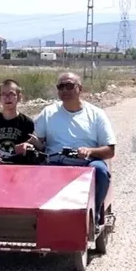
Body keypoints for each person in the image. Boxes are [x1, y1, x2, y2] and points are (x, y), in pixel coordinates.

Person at [32, 72, 116, 223]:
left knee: (102, 172)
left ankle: (94, 213)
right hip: (55, 161)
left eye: (69, 86)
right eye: (61, 87)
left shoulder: (96, 114)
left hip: (87, 162)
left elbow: (110, 150)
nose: (65, 90)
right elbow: (39, 141)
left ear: (80, 89)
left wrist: (89, 151)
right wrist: (31, 142)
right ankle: (39, 215)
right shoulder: (48, 112)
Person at [0, 79, 39, 164]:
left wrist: (28, 147)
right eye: (4, 94)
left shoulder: (27, 122)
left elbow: (32, 151)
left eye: (11, 94)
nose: (7, 97)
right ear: (0, 98)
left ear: (19, 97)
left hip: (20, 169)